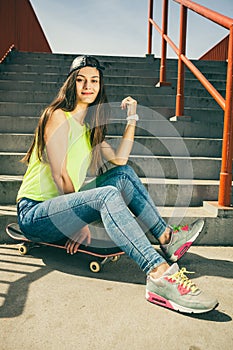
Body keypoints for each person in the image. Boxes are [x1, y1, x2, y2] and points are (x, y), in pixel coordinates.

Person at [17, 55, 218, 314]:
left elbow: (121, 158)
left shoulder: (90, 130)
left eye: (94, 80)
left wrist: (132, 118)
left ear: (100, 86)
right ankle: (159, 275)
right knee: (106, 195)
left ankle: (167, 237)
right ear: (71, 84)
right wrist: (77, 224)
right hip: (36, 213)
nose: (88, 86)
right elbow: (61, 177)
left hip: (62, 208)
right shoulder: (57, 116)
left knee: (122, 174)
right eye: (81, 80)